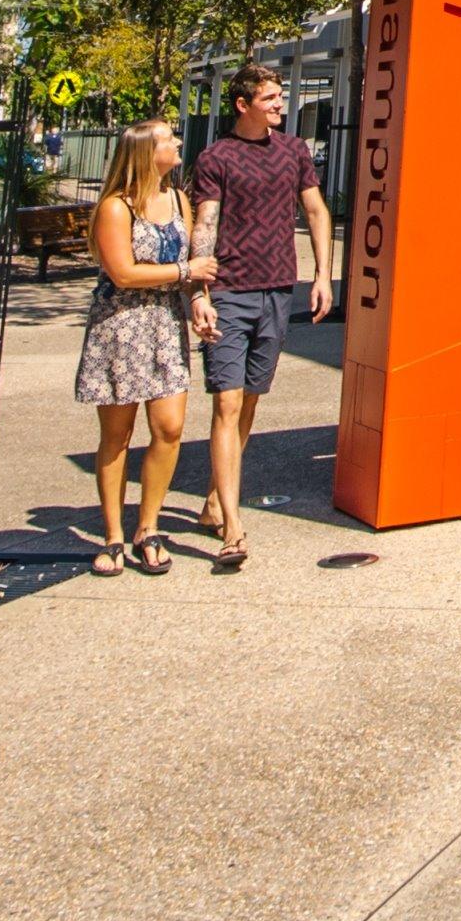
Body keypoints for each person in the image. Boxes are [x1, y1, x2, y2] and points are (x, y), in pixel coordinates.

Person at [186, 61, 334, 569]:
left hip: (276, 289)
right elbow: (206, 224)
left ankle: (212, 501)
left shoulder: (293, 151)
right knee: (226, 405)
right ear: (243, 104)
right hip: (230, 291)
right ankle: (233, 526)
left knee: (249, 401)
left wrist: (321, 275)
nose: (278, 104)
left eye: (278, 97)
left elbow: (315, 210)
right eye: (269, 97)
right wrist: (199, 292)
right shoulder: (216, 158)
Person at [73, 115, 217, 576]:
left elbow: (193, 259)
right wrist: (184, 276)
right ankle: (114, 535)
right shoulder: (116, 207)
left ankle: (148, 527)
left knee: (170, 428)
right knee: (117, 436)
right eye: (169, 139)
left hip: (166, 325)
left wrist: (199, 300)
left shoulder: (178, 198)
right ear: (145, 152)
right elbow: (124, 273)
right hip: (122, 325)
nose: (178, 143)